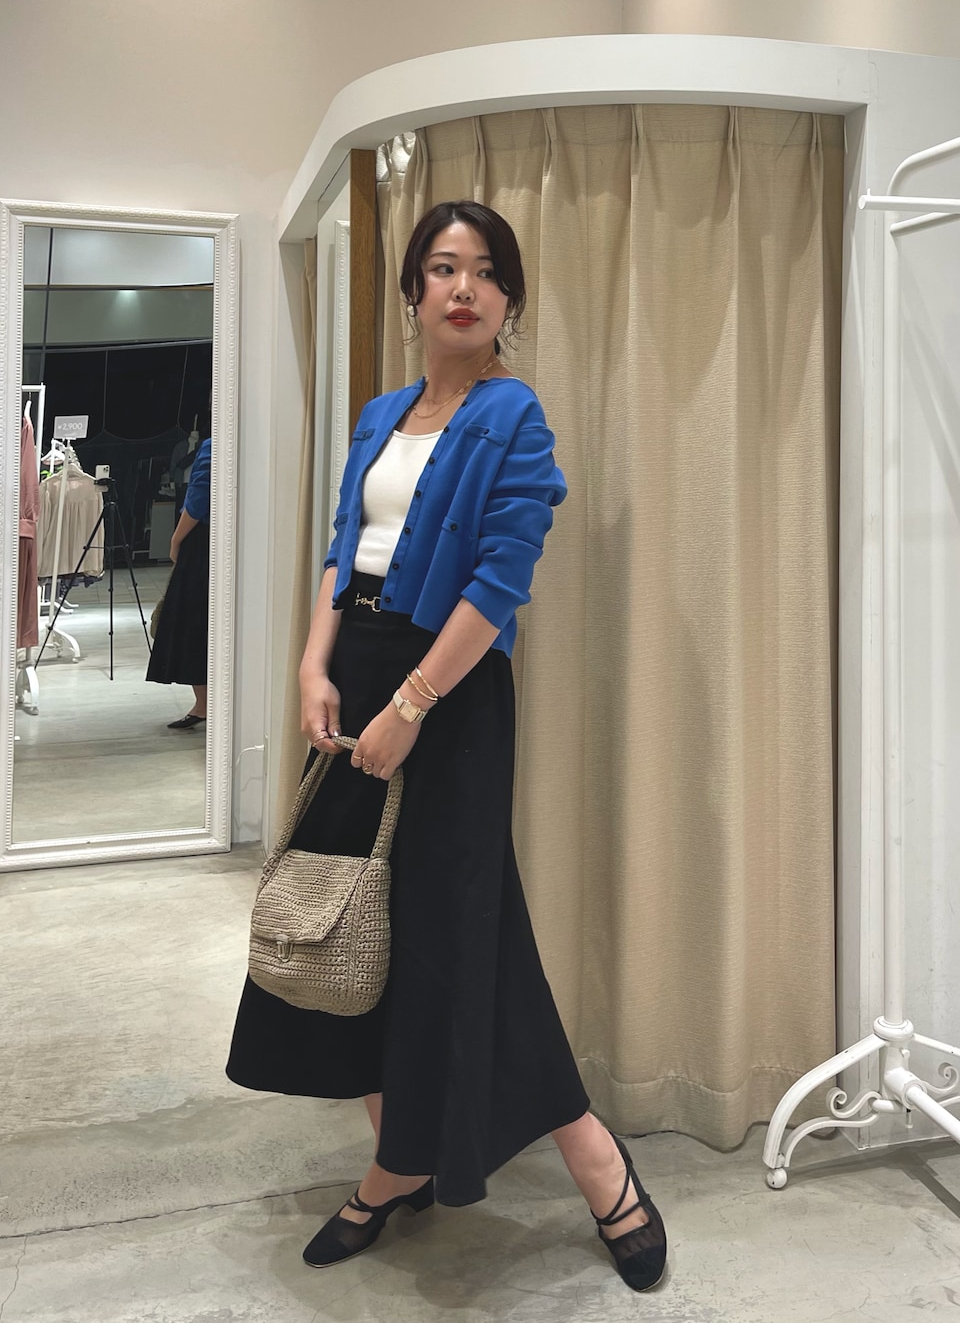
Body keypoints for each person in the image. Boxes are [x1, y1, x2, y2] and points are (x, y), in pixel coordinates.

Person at [226, 201, 667, 1292]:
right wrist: (312, 665)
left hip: (450, 693)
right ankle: (399, 1158)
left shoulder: (513, 415)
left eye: (483, 271)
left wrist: (411, 703)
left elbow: (500, 578)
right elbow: (343, 550)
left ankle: (593, 1161)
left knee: (458, 932)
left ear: (508, 298)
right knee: (355, 917)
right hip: (357, 675)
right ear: (413, 292)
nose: (460, 287)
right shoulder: (380, 415)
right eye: (439, 268)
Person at [145, 432, 210, 728]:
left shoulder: (213, 446)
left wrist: (175, 540)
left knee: (192, 623)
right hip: (233, 540)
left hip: (202, 543)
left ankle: (203, 703)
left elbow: (197, 500)